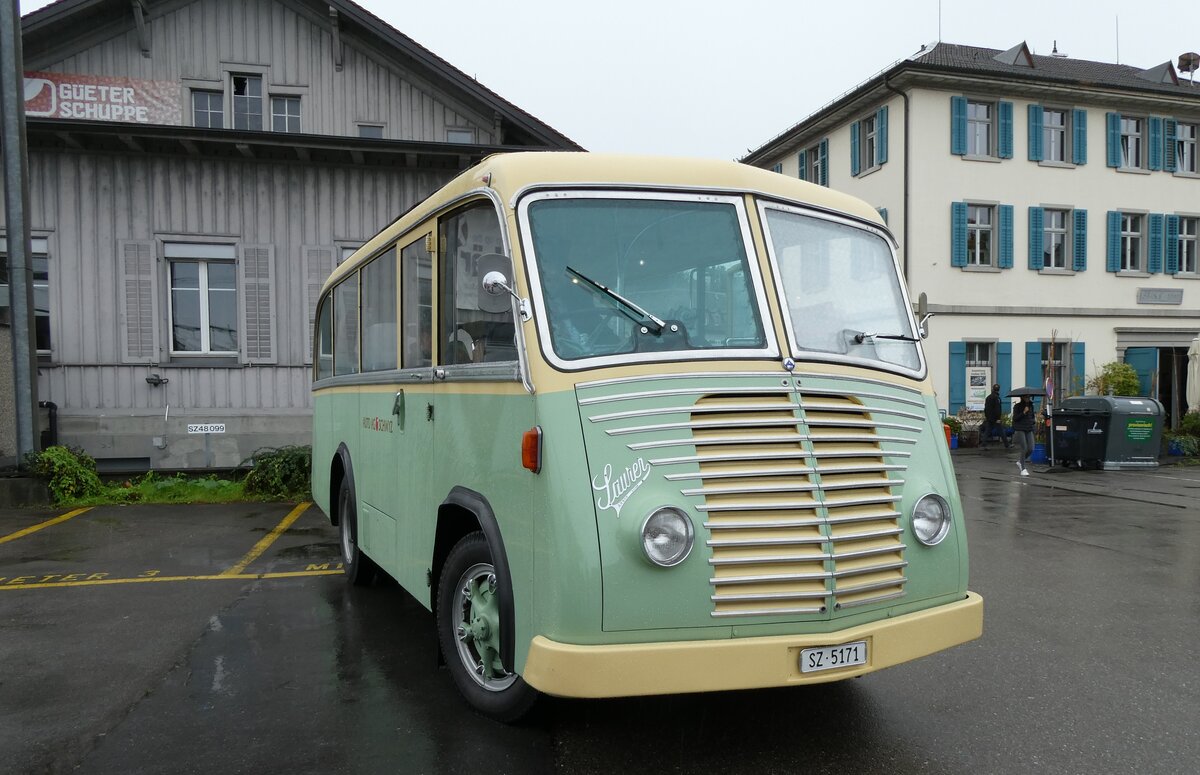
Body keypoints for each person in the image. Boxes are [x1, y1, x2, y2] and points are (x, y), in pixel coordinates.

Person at [1011, 395, 1035, 476]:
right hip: (1020, 428)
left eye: (1028, 397)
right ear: (1022, 398)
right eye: (1026, 397)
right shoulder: (1017, 406)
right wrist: (1023, 412)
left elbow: (1032, 416)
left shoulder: (1031, 406)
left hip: (1029, 428)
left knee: (1031, 448)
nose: (1028, 398)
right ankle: (1023, 468)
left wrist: (1032, 422)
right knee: (1024, 448)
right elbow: (1015, 418)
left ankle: (1020, 461)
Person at [981, 384, 1010, 449]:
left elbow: (986, 409)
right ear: (998, 390)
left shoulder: (988, 397)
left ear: (992, 389)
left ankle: (983, 445)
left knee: (987, 431)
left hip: (989, 418)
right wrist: (998, 418)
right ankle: (1007, 445)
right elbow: (998, 409)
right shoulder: (997, 398)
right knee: (1001, 431)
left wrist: (987, 417)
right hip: (995, 418)